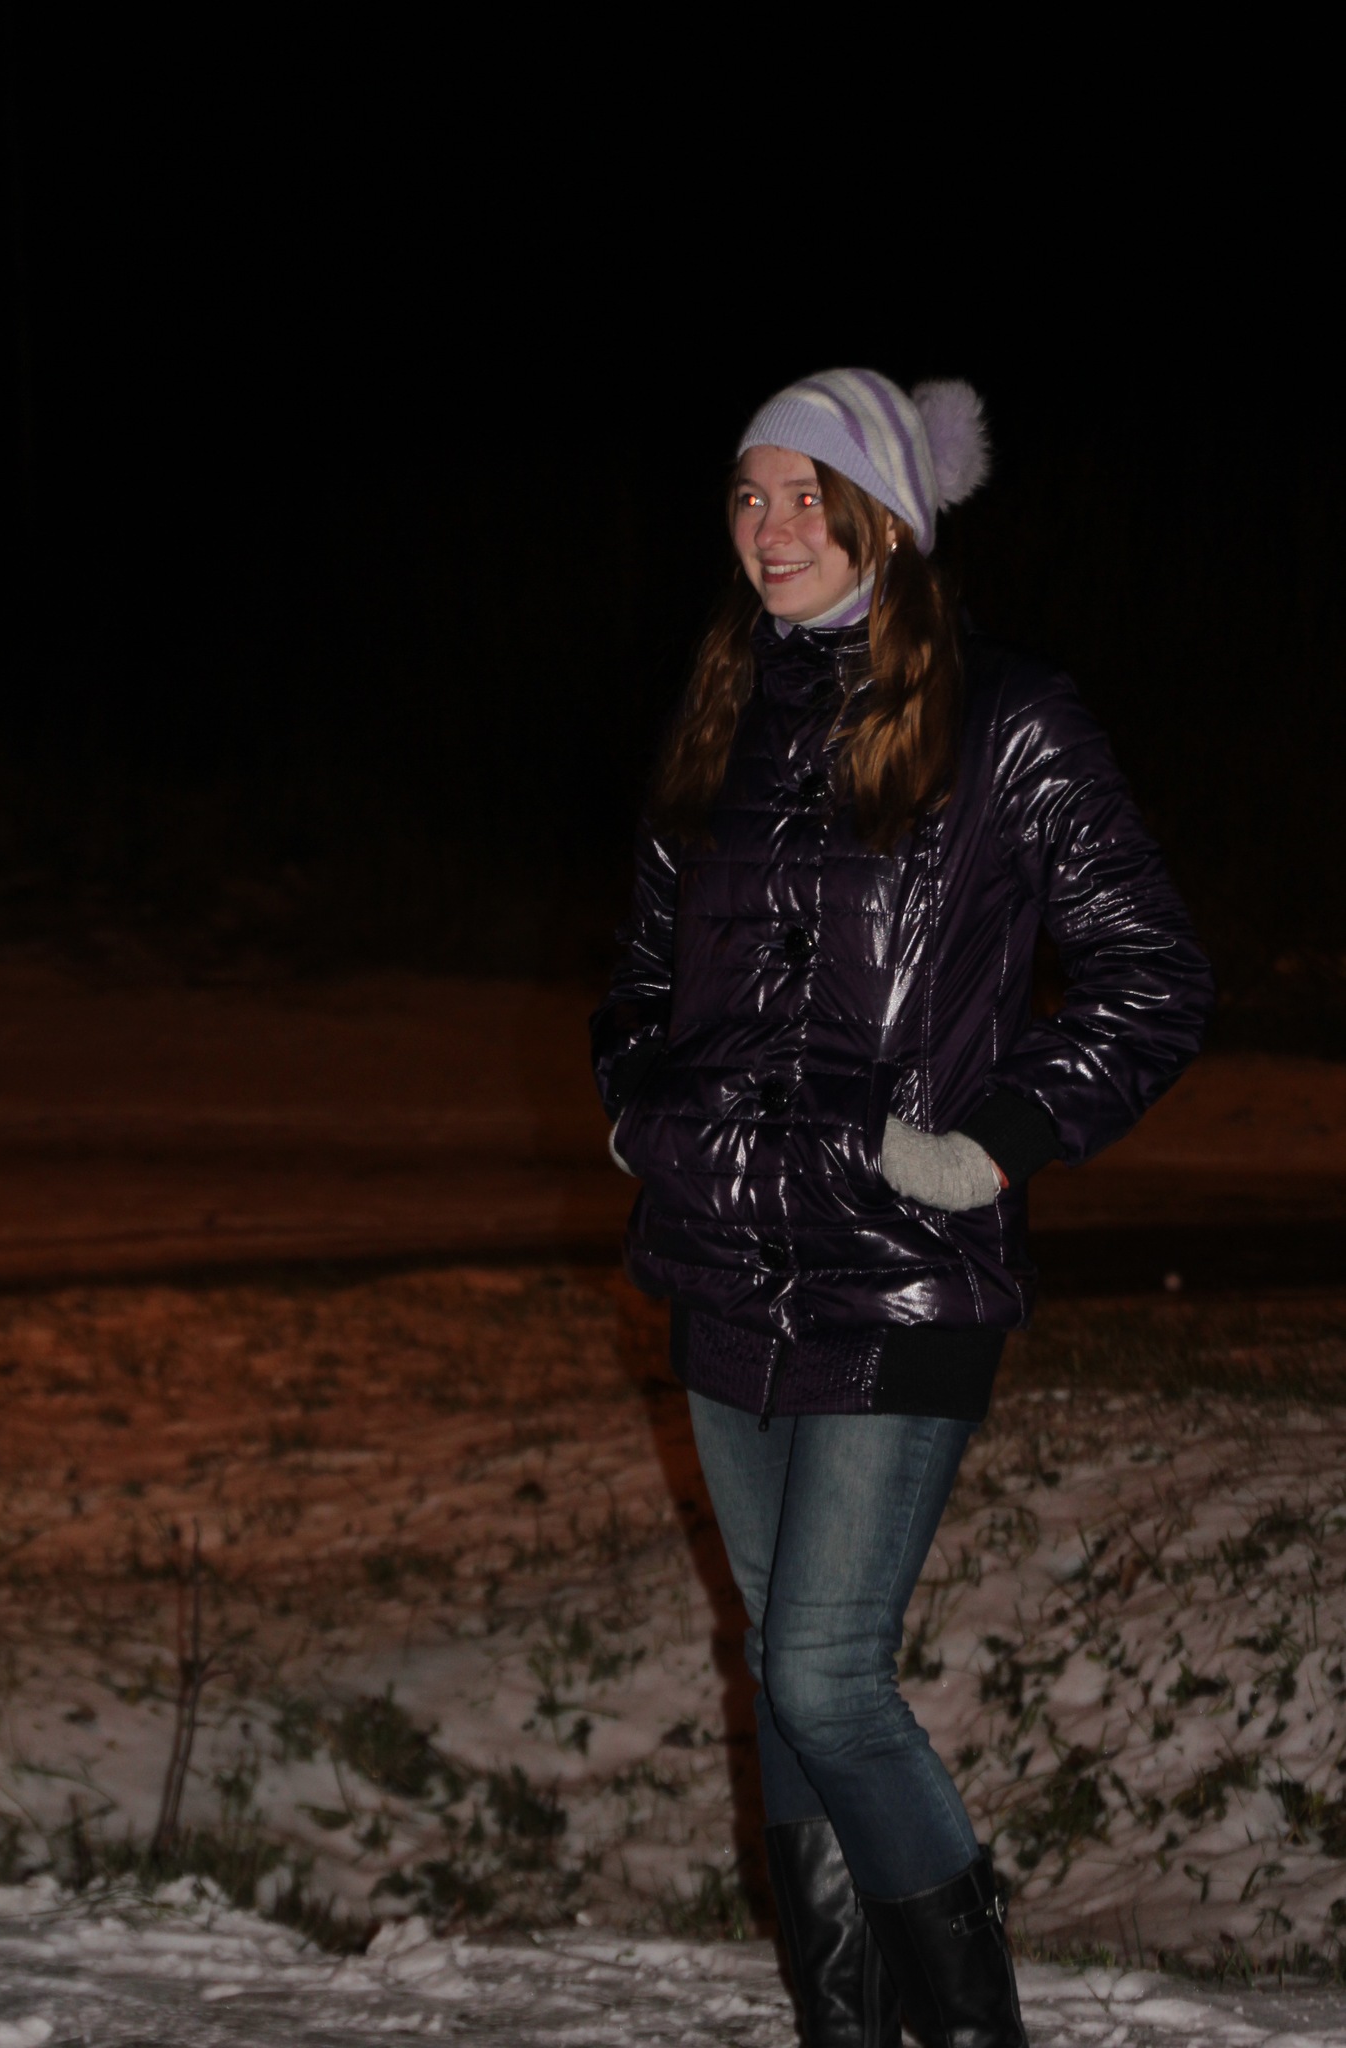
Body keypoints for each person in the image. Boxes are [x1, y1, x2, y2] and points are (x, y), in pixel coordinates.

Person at [591, 369, 1213, 2048]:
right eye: (747, 495)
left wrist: (990, 1141)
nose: (769, 526)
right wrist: (639, 1112)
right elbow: (640, 973)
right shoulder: (720, 713)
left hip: (901, 1270)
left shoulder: (1008, 719)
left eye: (808, 493)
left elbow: (1152, 979)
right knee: (777, 1676)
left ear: (889, 515)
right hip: (721, 1262)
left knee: (825, 1675)